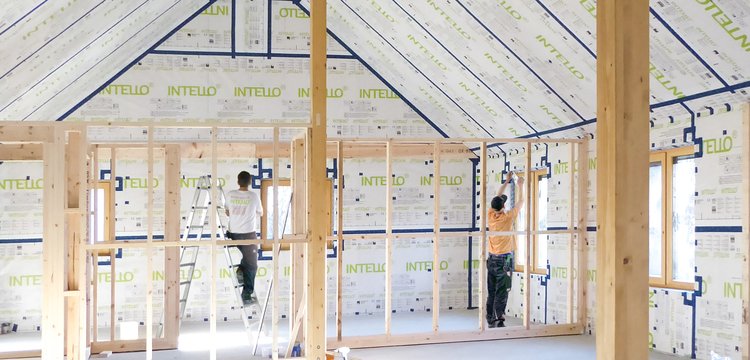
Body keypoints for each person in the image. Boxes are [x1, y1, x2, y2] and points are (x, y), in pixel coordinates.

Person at [486, 171, 525, 328]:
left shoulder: (490, 214)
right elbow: (522, 201)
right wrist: (520, 186)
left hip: (491, 258)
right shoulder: (507, 217)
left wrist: (507, 181)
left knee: (492, 290)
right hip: (504, 259)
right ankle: (498, 319)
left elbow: (497, 195)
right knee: (502, 291)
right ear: (503, 206)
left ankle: (490, 318)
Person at [225, 171, 263, 305]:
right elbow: (260, 213)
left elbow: (227, 212)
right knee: (252, 264)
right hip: (248, 235)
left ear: (237, 181)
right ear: (250, 182)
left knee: (247, 259)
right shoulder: (253, 196)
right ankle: (246, 295)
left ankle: (241, 269)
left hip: (233, 234)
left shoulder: (230, 194)